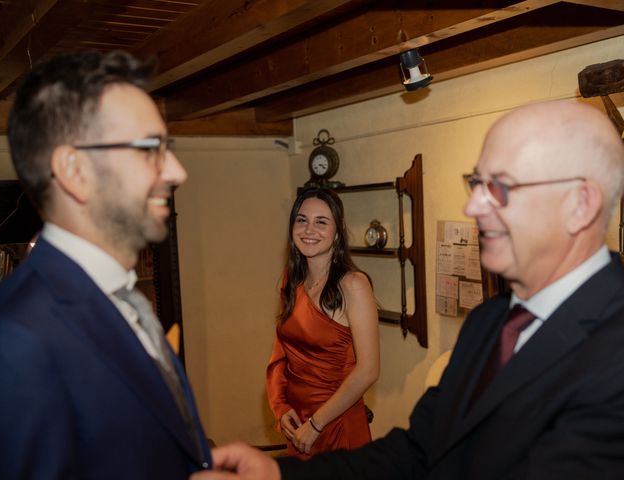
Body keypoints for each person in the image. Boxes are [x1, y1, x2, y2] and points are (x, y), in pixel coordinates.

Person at [191, 99, 624, 480]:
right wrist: (277, 475)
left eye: (500, 187)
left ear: (580, 204)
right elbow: (417, 452)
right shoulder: (488, 324)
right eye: (476, 184)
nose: (473, 207)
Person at [0, 50, 211, 478]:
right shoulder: (12, 341)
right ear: (75, 170)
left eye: (170, 147)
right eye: (150, 149)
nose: (177, 171)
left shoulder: (126, 299)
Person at [266, 187, 380, 459]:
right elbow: (281, 353)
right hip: (298, 425)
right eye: (302, 220)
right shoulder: (291, 280)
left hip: (334, 423)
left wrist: (317, 424)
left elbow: (368, 371)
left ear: (338, 231)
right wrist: (281, 408)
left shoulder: (353, 285)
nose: (309, 229)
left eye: (321, 221)